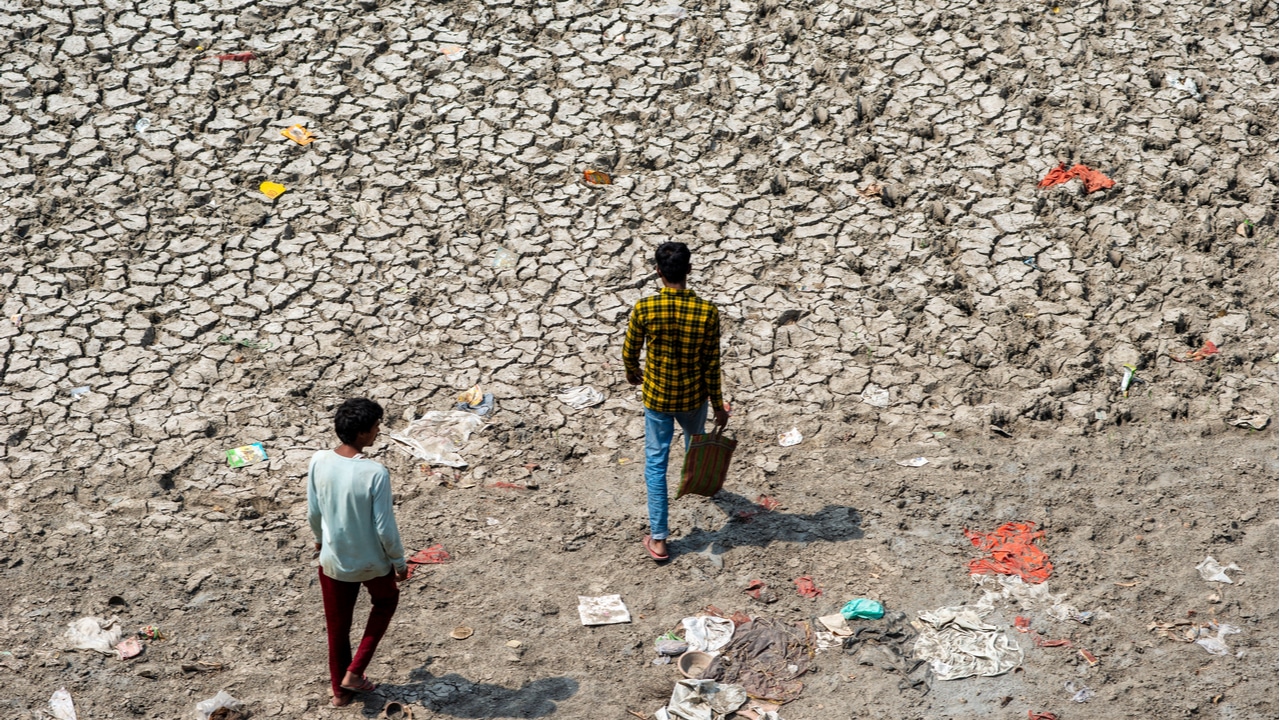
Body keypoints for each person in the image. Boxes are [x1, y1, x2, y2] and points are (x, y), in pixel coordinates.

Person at [622, 242, 729, 562]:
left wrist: (633, 372)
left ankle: (658, 540)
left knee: (656, 463)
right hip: (693, 398)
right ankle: (698, 482)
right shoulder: (707, 311)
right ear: (689, 271)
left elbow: (629, 353)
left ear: (658, 272)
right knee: (694, 444)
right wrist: (719, 405)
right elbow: (712, 363)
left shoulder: (644, 308)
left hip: (657, 397)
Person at [308, 398, 408, 707]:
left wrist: (319, 541)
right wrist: (399, 562)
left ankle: (340, 694)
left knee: (338, 627)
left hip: (333, 561)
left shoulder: (319, 460)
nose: (379, 430)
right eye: (376, 426)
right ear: (363, 433)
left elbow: (314, 512)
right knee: (386, 601)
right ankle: (355, 671)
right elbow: (385, 528)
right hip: (371, 563)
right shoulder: (374, 473)